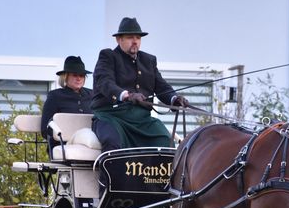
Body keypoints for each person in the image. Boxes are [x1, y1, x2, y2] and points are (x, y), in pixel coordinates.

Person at [91, 17, 189, 151]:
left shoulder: (148, 60)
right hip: (112, 117)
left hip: (142, 120)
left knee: (165, 139)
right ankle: (112, 172)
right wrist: (126, 95)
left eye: (138, 37)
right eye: (130, 37)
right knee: (112, 141)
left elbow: (161, 86)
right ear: (119, 39)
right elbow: (104, 82)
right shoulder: (108, 56)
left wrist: (174, 99)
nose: (135, 41)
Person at [41, 56, 93, 151]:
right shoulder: (55, 96)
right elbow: (45, 129)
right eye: (74, 75)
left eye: (81, 75)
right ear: (66, 76)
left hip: (90, 145)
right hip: (62, 146)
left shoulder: (93, 95)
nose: (78, 79)